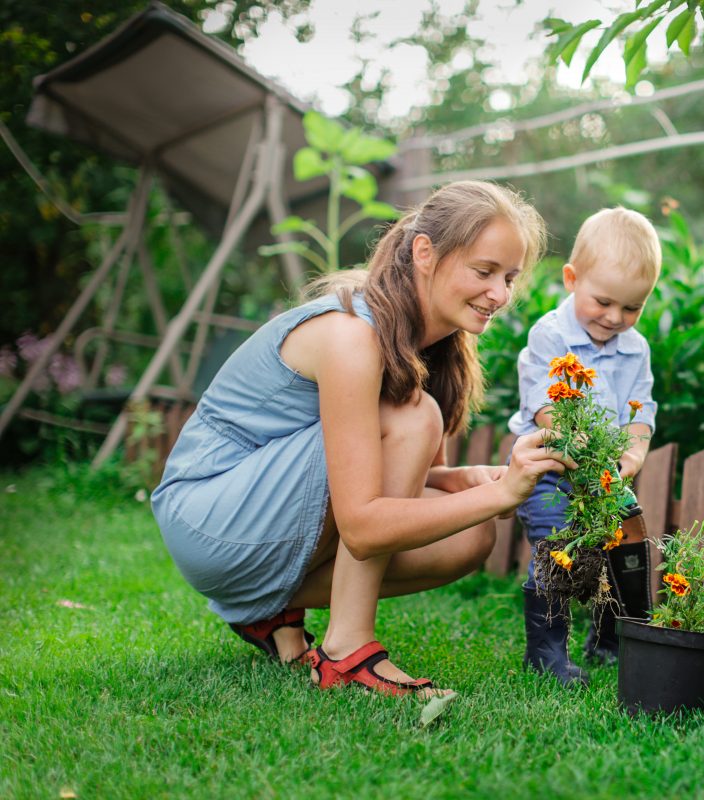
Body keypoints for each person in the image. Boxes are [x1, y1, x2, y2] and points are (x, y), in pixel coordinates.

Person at [151, 181, 572, 698]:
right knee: (417, 420)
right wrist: (503, 493)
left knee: (472, 535)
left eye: (508, 278)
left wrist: (461, 480)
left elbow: (390, 478)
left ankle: (272, 611)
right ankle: (346, 651)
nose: (500, 295)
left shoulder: (428, 340)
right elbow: (365, 523)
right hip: (209, 515)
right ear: (425, 253)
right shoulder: (354, 334)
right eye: (483, 272)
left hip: (257, 510)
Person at [508, 207, 661, 687]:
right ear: (571, 278)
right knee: (558, 556)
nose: (615, 318)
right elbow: (545, 409)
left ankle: (609, 640)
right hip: (551, 470)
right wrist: (584, 454)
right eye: (603, 301)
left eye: (632, 308)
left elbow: (640, 413)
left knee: (623, 554)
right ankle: (546, 654)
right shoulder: (550, 335)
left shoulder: (635, 348)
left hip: (604, 476)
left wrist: (632, 454)